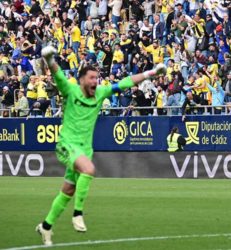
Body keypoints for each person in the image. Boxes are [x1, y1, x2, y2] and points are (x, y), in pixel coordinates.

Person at [35, 46, 166, 246]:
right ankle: (78, 214)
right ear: (81, 80)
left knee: (68, 190)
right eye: (91, 78)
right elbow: (58, 74)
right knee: (89, 169)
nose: (95, 82)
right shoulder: (70, 91)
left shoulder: (101, 93)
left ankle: (46, 226)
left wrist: (152, 73)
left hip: (85, 149)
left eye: (97, 78)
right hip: (67, 145)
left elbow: (125, 83)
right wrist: (49, 58)